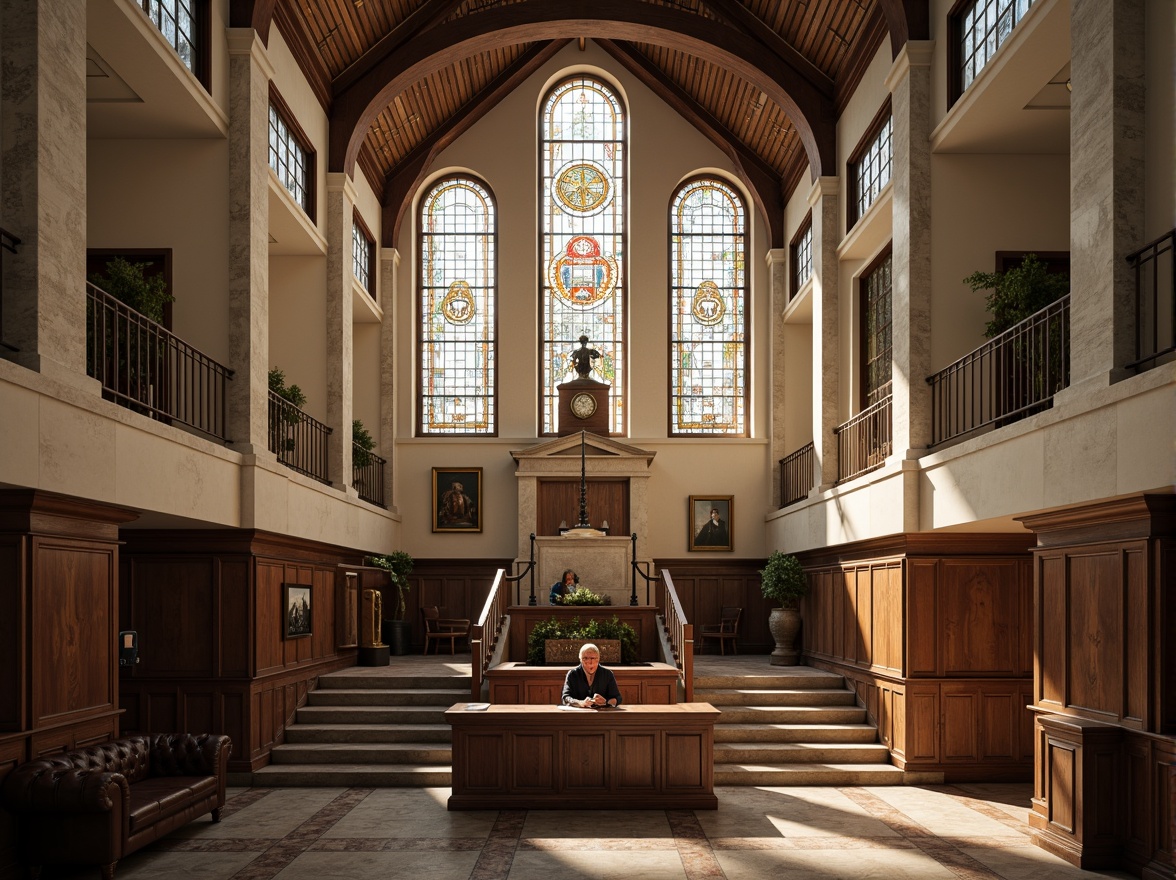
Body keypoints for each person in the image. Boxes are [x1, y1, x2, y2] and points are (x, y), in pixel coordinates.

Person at [561, 643, 622, 708]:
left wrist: (605, 702)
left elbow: (618, 698)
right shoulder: (572, 674)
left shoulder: (607, 674)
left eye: (593, 658)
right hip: (578, 716)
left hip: (602, 715)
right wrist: (580, 703)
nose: (589, 662)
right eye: (585, 658)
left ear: (598, 659)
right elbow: (565, 698)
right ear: (580, 659)